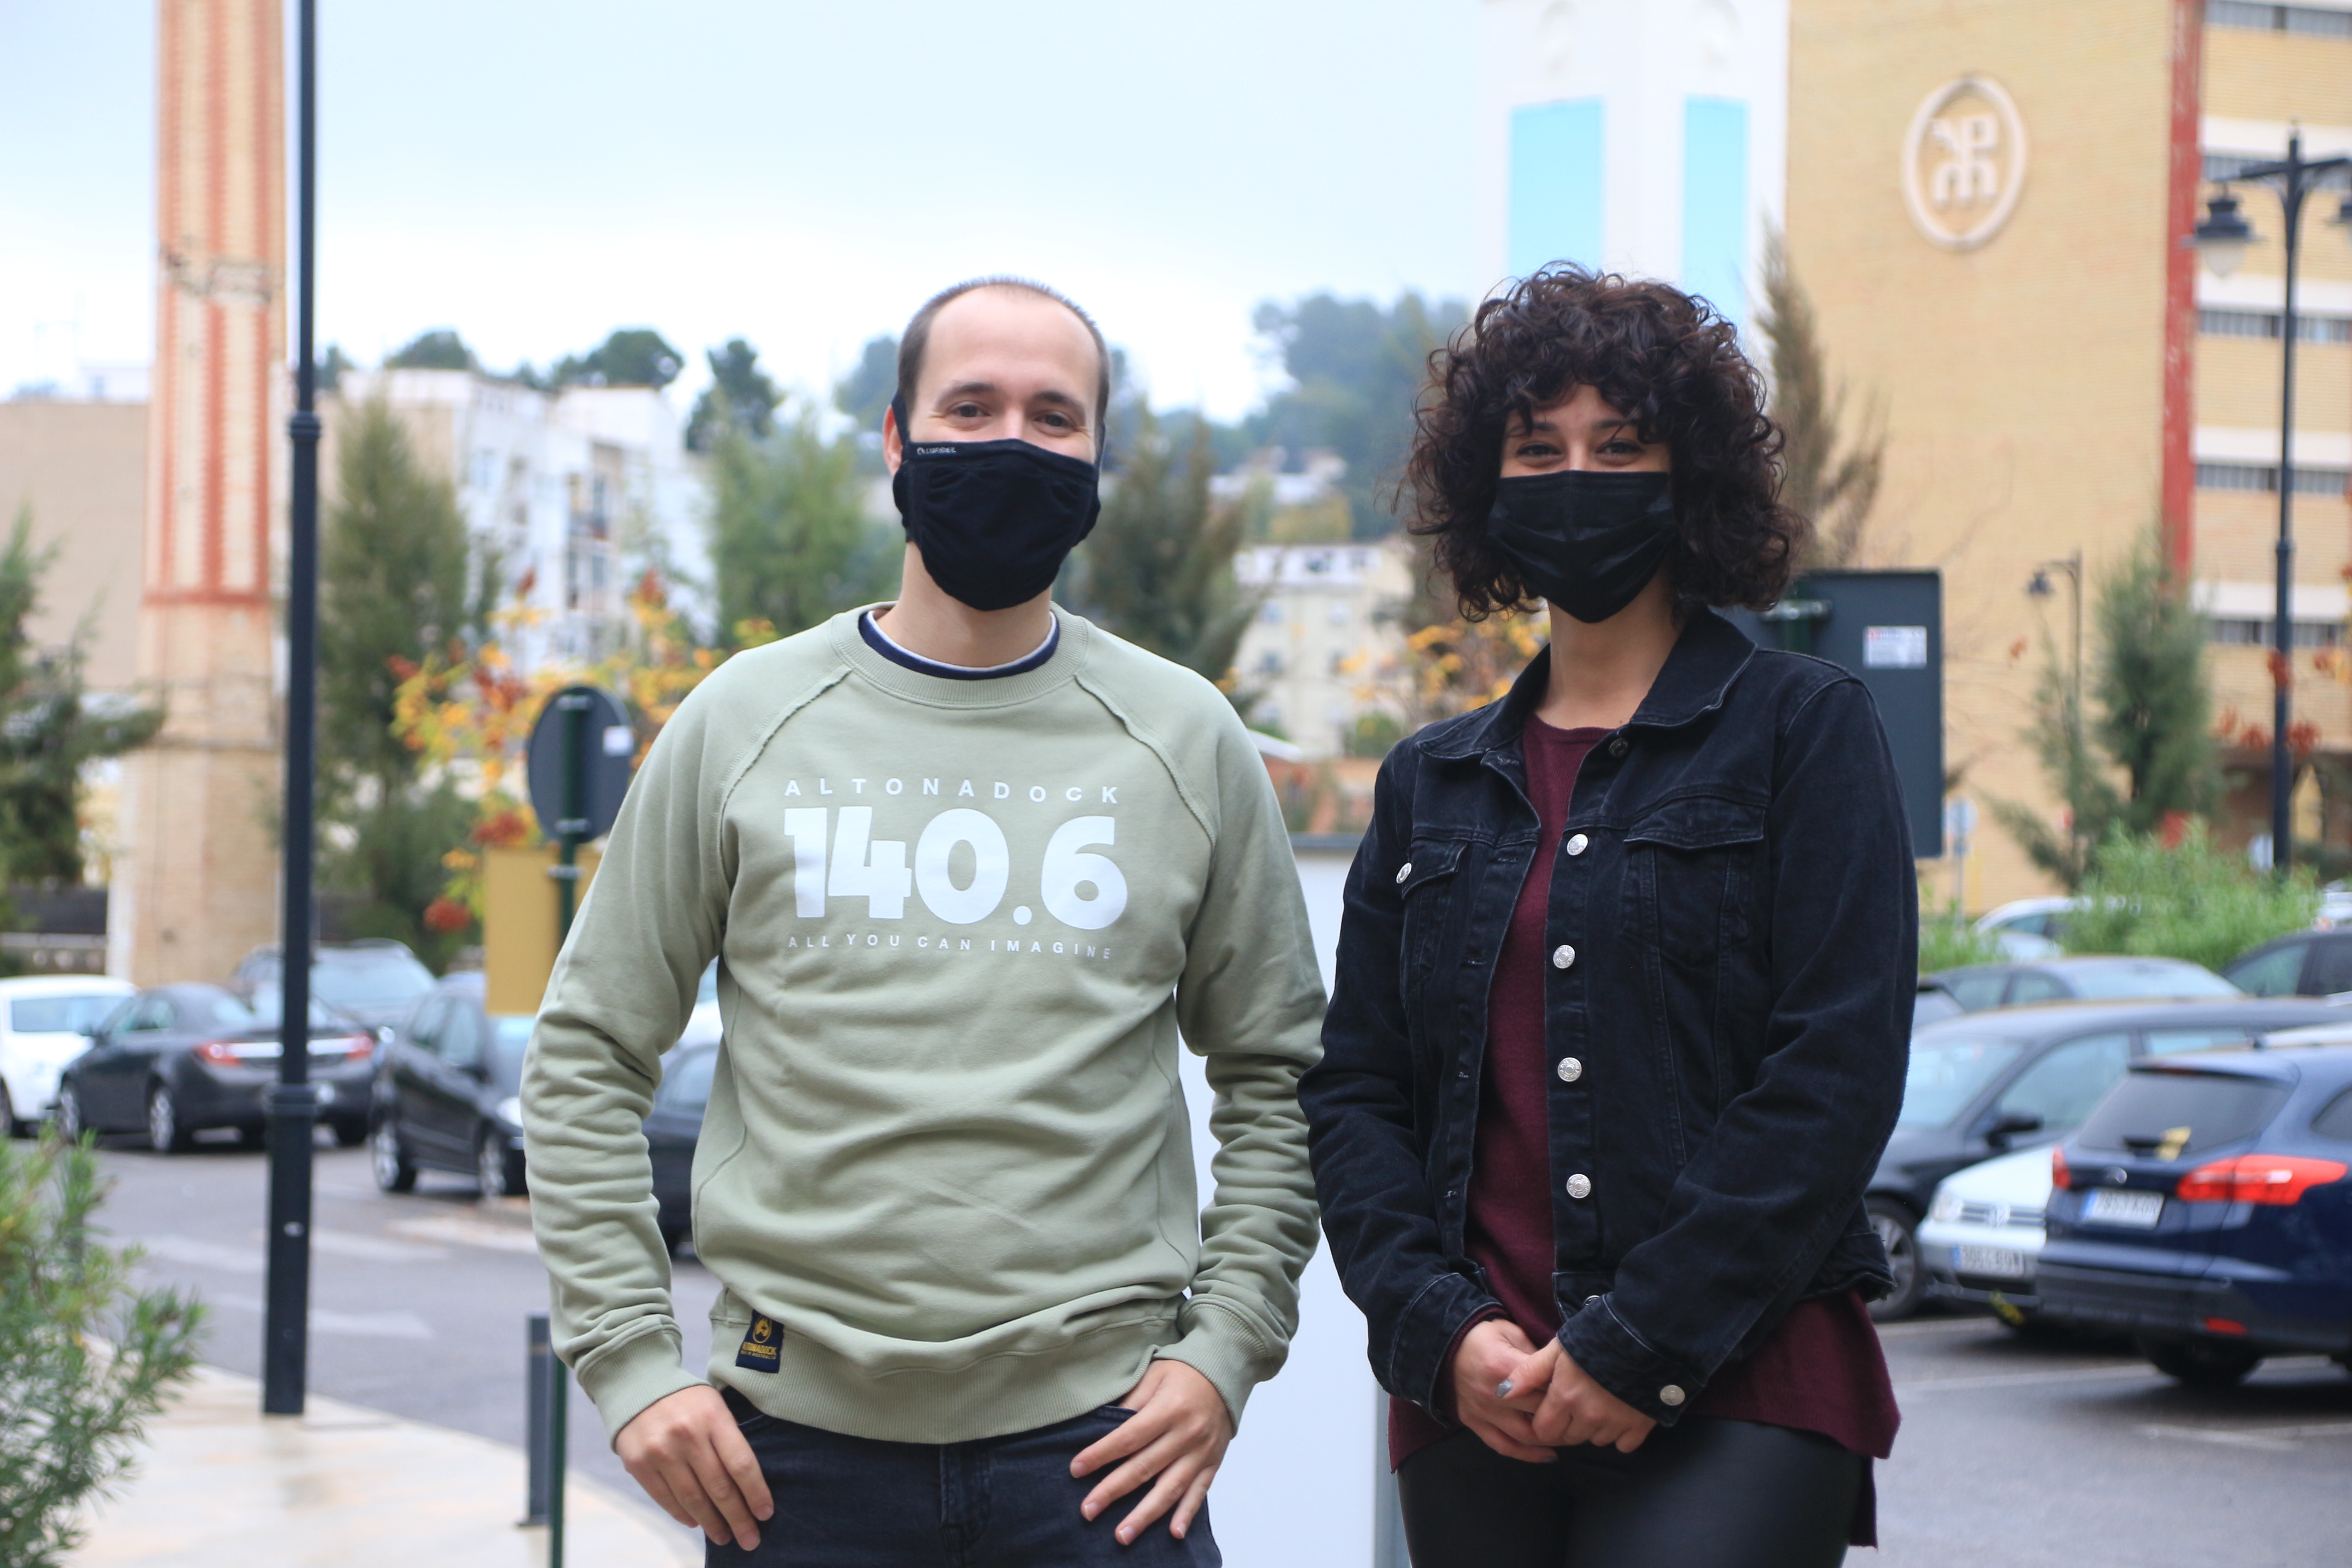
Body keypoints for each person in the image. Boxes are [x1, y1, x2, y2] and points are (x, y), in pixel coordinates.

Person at [523, 276, 1327, 1566]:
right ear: (896, 440)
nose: (1013, 442)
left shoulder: (1187, 739)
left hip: (1107, 1465)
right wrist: (632, 1366)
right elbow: (586, 1055)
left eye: (1054, 416)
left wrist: (1224, 1353)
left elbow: (1281, 1076)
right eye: (972, 406)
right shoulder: (743, 720)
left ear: (1097, 459)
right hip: (788, 1465)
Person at [1298, 265, 1911, 1568]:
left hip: (1744, 1381)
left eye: (1620, 447)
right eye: (1541, 449)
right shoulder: (1430, 782)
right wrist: (1436, 1331)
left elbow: (1836, 1077)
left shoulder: (1805, 730)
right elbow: (1355, 1094)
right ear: (1490, 488)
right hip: (1485, 1398)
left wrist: (1643, 1345)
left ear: (1688, 478)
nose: (1579, 476)